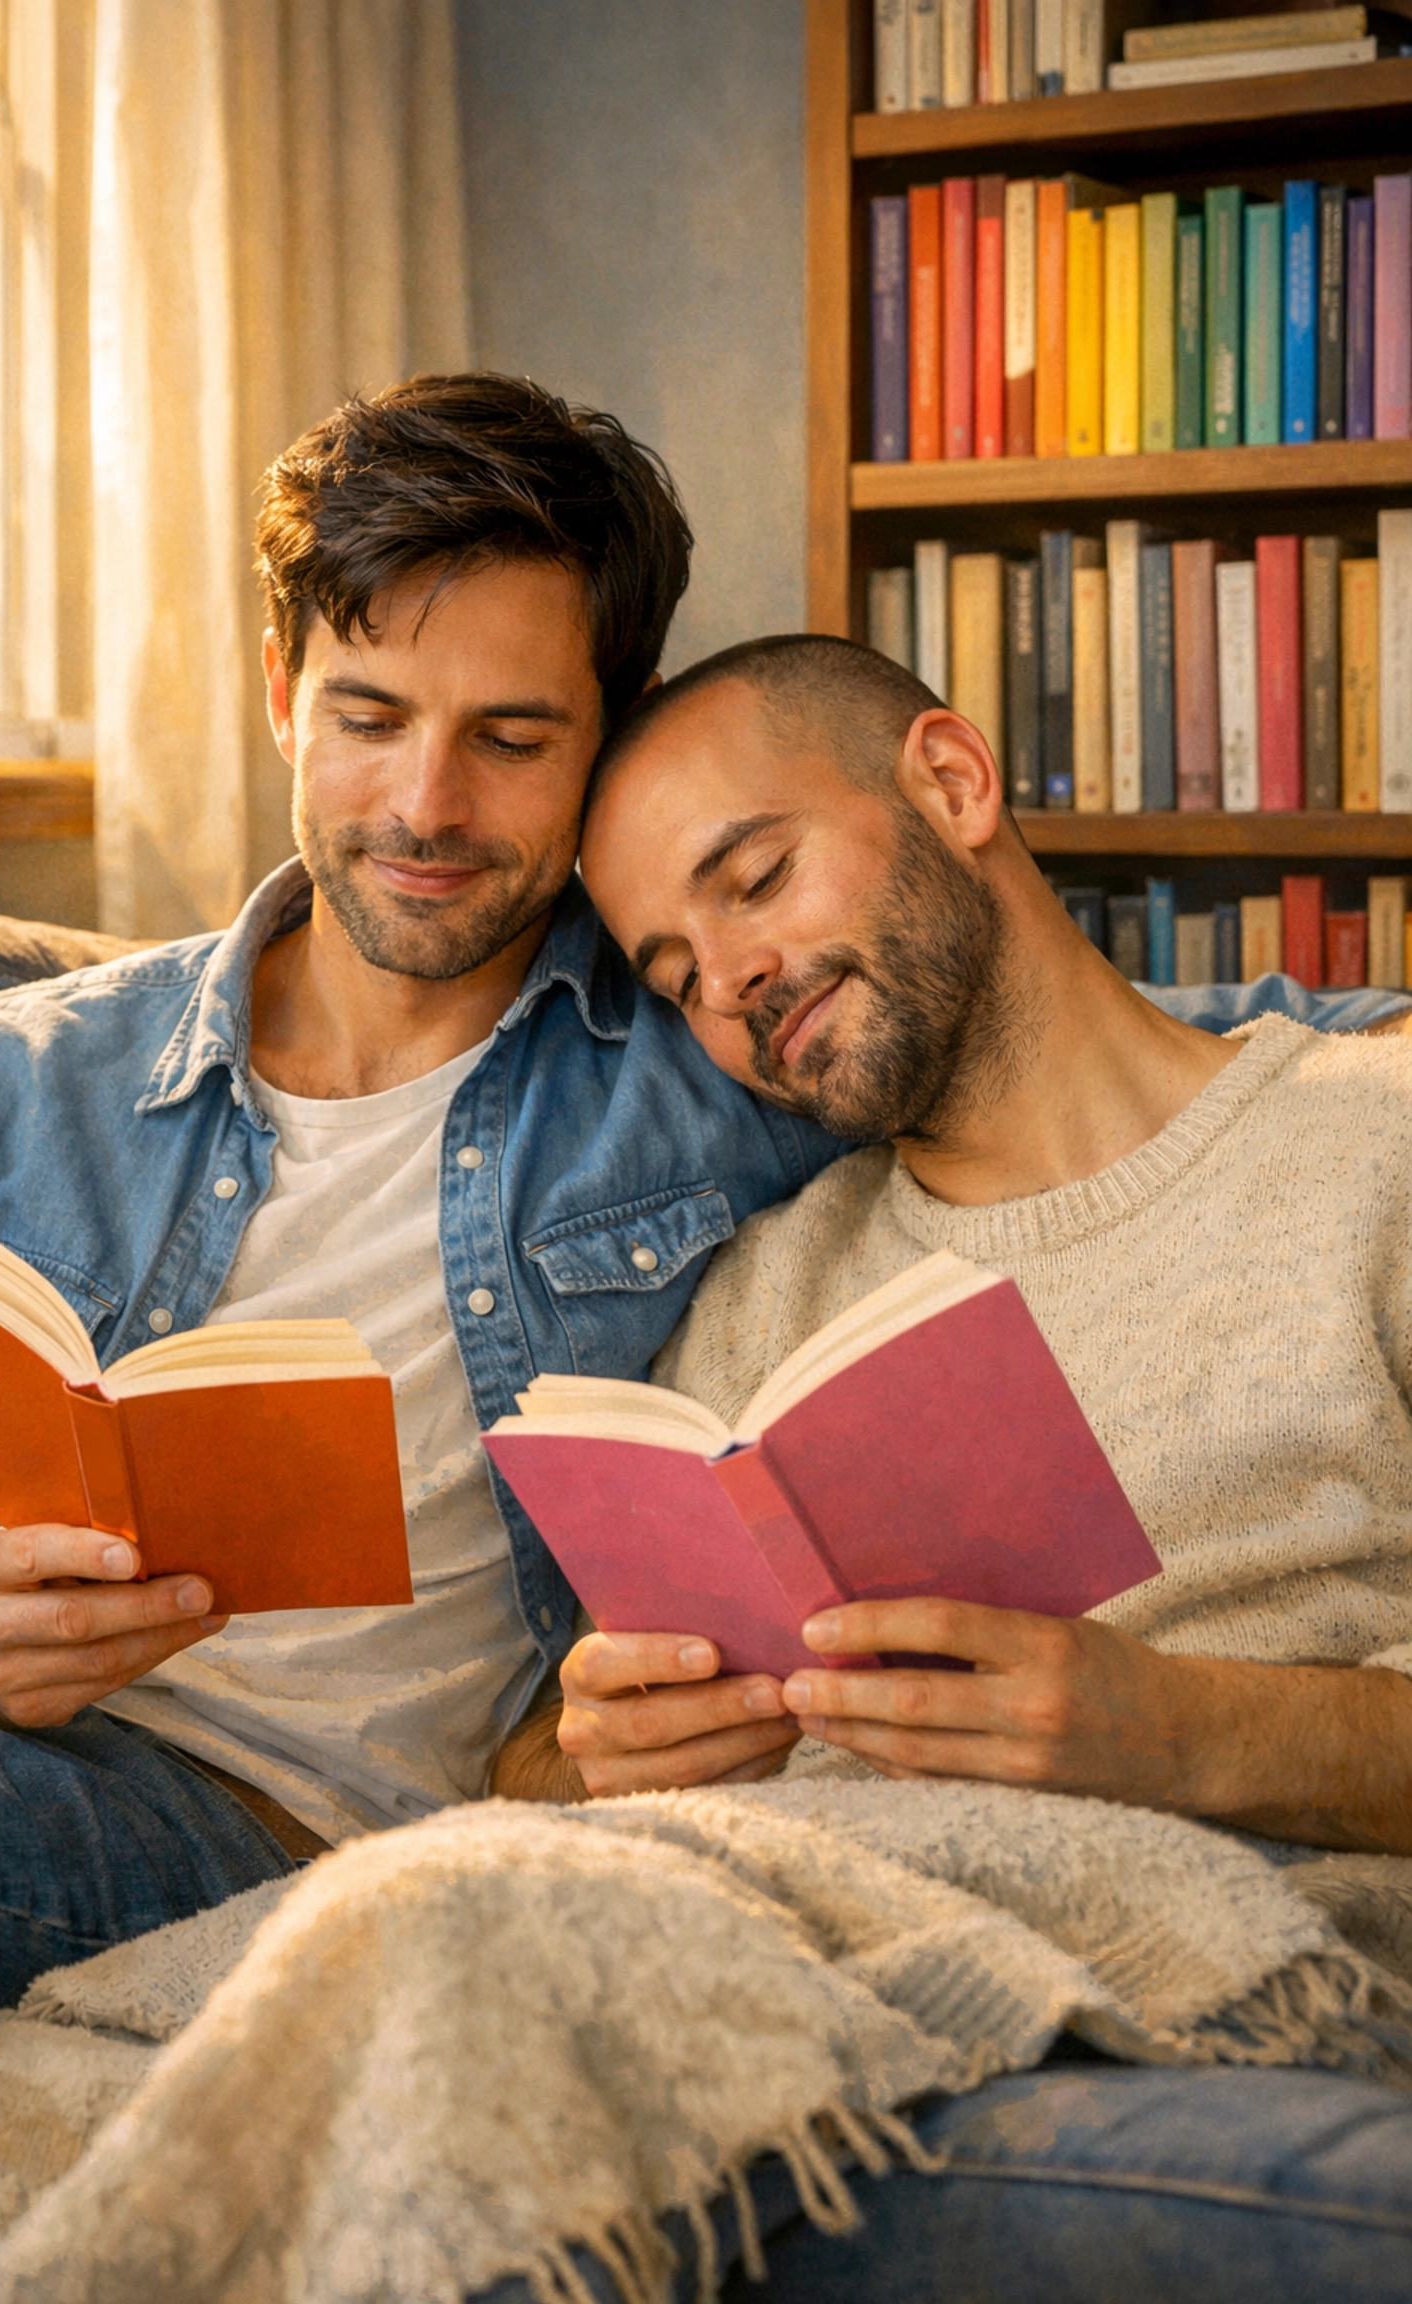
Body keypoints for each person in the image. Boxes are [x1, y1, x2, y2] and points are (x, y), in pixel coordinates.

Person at [0, 378, 1390, 2058]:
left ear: (611, 731)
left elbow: (1072, 1019)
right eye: (368, 716)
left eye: (514, 740)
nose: (427, 809)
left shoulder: (716, 1054)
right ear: (280, 693)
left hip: (275, 1836)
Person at [488, 631, 1412, 2300]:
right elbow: (529, 1782)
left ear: (955, 780)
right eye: (679, 971)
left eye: (756, 879)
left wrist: (1177, 1728)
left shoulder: (1379, 1142)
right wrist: (603, 1749)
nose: (736, 984)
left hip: (1179, 1980)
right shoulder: (770, 1289)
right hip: (763, 1946)